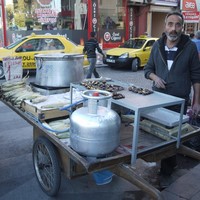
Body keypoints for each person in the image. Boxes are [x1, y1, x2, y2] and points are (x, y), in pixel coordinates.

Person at [144, 11, 200, 186]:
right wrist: (155, 78)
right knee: (157, 134)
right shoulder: (157, 46)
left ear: (182, 27)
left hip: (179, 102)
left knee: (173, 137)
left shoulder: (189, 47)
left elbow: (197, 77)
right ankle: (164, 164)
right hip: (157, 100)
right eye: (170, 24)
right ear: (165, 26)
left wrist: (197, 101)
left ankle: (167, 173)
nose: (173, 29)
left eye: (177, 25)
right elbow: (147, 70)